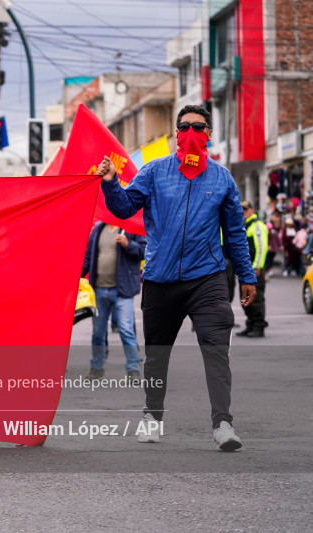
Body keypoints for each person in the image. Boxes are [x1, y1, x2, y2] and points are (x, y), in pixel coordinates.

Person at [97, 104, 257, 451]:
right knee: (157, 356)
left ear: (209, 134)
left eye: (198, 127)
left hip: (207, 279)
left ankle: (223, 424)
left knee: (216, 350)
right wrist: (110, 182)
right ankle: (152, 417)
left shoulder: (222, 179)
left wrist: (247, 275)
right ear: (176, 133)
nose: (190, 133)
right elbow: (123, 207)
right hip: (160, 278)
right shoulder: (155, 172)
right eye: (184, 127)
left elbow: (235, 233)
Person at [81, 222, 146, 382]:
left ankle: (133, 369)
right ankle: (96, 368)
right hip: (99, 290)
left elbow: (144, 251)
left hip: (122, 291)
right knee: (98, 332)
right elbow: (88, 257)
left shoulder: (130, 228)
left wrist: (128, 244)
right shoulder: (97, 229)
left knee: (126, 330)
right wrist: (78, 277)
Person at [237, 202, 268, 338]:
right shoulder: (245, 225)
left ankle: (259, 326)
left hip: (254, 269)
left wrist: (257, 266)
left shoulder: (257, 225)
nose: (243, 212)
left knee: (256, 299)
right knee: (245, 298)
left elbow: (261, 248)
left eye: (245, 209)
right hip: (246, 270)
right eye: (241, 209)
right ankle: (250, 324)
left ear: (252, 210)